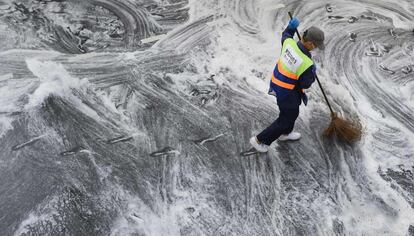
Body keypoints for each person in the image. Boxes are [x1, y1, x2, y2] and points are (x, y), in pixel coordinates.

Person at [250, 17, 325, 153]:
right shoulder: (307, 63)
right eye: (315, 45)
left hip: (277, 83)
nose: (315, 48)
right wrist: (312, 73)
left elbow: (286, 35)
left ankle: (285, 134)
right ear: (309, 43)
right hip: (288, 92)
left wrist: (291, 27)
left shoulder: (289, 43)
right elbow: (305, 84)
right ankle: (259, 140)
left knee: (291, 113)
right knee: (286, 119)